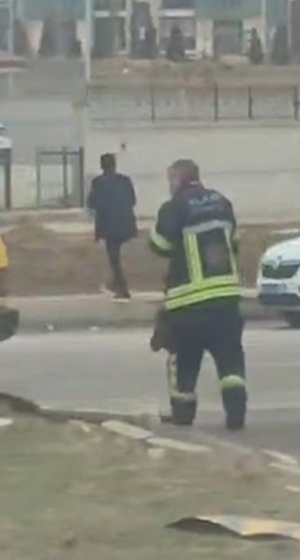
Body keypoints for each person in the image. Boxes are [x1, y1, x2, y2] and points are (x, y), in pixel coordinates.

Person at [148, 159, 247, 430]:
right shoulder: (222, 203)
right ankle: (236, 415)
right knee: (230, 361)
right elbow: (234, 242)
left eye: (170, 180)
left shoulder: (174, 207)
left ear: (178, 179)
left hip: (188, 303)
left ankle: (183, 414)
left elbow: (159, 245)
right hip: (225, 301)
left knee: (184, 363)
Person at [86, 153, 136, 299]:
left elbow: (91, 203)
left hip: (109, 226)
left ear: (102, 166)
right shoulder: (125, 180)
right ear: (115, 164)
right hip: (126, 224)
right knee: (117, 257)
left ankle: (122, 288)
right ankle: (115, 283)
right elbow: (133, 201)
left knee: (114, 258)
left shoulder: (98, 182)